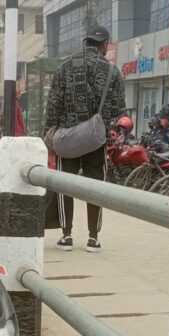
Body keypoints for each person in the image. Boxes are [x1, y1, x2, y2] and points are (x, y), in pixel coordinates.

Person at [44, 25, 126, 253]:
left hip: (67, 139)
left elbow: (53, 104)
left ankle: (67, 236)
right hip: (96, 141)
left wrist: (49, 132)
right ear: (104, 45)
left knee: (64, 186)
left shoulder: (65, 67)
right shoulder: (113, 72)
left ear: (85, 43)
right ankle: (93, 238)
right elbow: (119, 110)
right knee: (95, 187)